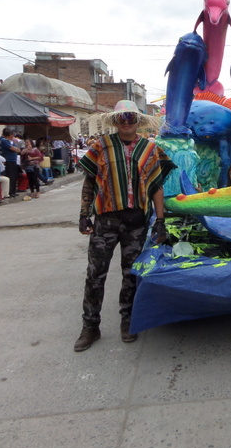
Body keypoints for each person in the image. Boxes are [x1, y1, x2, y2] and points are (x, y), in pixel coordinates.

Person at [74, 100, 175, 352]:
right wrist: (84, 214)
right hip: (105, 221)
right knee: (95, 275)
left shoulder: (149, 149)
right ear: (116, 121)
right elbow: (89, 182)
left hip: (135, 223)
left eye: (131, 117)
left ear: (138, 120)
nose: (127, 122)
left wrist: (160, 221)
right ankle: (90, 326)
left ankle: (128, 321)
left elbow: (156, 186)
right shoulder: (101, 146)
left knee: (131, 274)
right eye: (122, 117)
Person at [0, 128, 20, 198]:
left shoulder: (11, 142)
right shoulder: (4, 141)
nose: (13, 136)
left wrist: (15, 149)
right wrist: (15, 149)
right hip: (9, 160)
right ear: (9, 135)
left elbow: (18, 149)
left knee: (14, 176)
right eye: (12, 134)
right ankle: (10, 191)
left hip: (14, 160)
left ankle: (13, 191)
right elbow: (12, 148)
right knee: (11, 176)